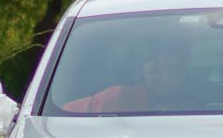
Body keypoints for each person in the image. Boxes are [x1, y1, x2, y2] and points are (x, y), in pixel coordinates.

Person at [63, 37, 191, 113]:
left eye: (173, 71)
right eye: (155, 70)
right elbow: (66, 112)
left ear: (186, 74)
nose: (164, 78)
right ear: (141, 70)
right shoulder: (117, 97)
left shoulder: (194, 106)